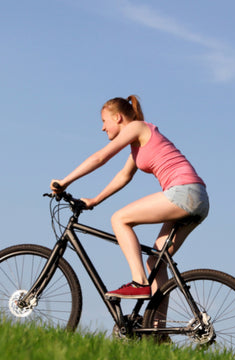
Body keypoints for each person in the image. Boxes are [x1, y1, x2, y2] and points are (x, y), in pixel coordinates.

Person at [50, 95, 209, 299]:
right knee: (156, 261)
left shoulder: (137, 127)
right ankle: (158, 328)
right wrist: (95, 200)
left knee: (119, 219)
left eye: (103, 121)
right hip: (198, 198)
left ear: (117, 118)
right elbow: (124, 176)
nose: (102, 128)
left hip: (184, 192)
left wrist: (65, 181)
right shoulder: (139, 143)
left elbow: (100, 157)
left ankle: (139, 282)